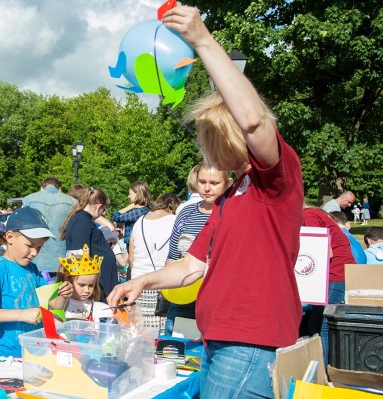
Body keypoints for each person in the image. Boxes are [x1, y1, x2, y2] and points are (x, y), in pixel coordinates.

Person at [107, 6, 304, 398]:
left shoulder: (274, 181)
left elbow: (254, 123)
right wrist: (142, 280)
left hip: (248, 345)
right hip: (221, 342)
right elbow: (192, 266)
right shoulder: (233, 197)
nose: (204, 152)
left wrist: (202, 39)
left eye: (206, 140)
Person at [0, 207, 73, 357]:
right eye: (30, 245)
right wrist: (21, 314)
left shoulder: (33, 269)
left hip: (32, 353)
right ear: (10, 237)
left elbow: (54, 305)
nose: (34, 252)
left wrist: (64, 295)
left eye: (39, 247)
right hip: (4, 356)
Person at [164, 164, 232, 336]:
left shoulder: (232, 213)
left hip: (219, 302)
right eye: (202, 182)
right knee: (175, 353)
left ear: (227, 183)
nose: (207, 188)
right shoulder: (186, 211)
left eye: (214, 183)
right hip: (182, 299)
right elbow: (172, 256)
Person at [301, 205, 354, 364]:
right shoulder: (311, 214)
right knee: (314, 322)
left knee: (323, 323)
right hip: (331, 276)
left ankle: (323, 370)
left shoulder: (309, 216)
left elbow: (322, 251)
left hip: (335, 275)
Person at [129, 193, 181, 332]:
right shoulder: (176, 221)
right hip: (164, 285)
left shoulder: (139, 221)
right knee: (162, 334)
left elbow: (131, 258)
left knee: (140, 332)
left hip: (138, 283)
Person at [61, 187, 119, 300]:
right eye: (104, 209)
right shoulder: (81, 222)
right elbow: (81, 255)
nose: (104, 212)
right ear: (98, 206)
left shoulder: (83, 220)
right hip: (97, 282)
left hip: (100, 280)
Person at [22, 177, 76, 274]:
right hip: (63, 259)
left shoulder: (29, 200)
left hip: (36, 258)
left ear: (41, 188)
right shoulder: (72, 202)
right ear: (60, 189)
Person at [57, 244, 112, 322]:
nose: (87, 290)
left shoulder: (101, 309)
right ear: (68, 282)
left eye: (91, 285)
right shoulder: (60, 307)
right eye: (81, 285)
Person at [111, 181, 151, 247]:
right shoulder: (146, 209)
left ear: (137, 194)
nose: (128, 196)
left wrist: (131, 206)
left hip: (134, 245)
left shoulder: (139, 212)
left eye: (130, 194)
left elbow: (115, 217)